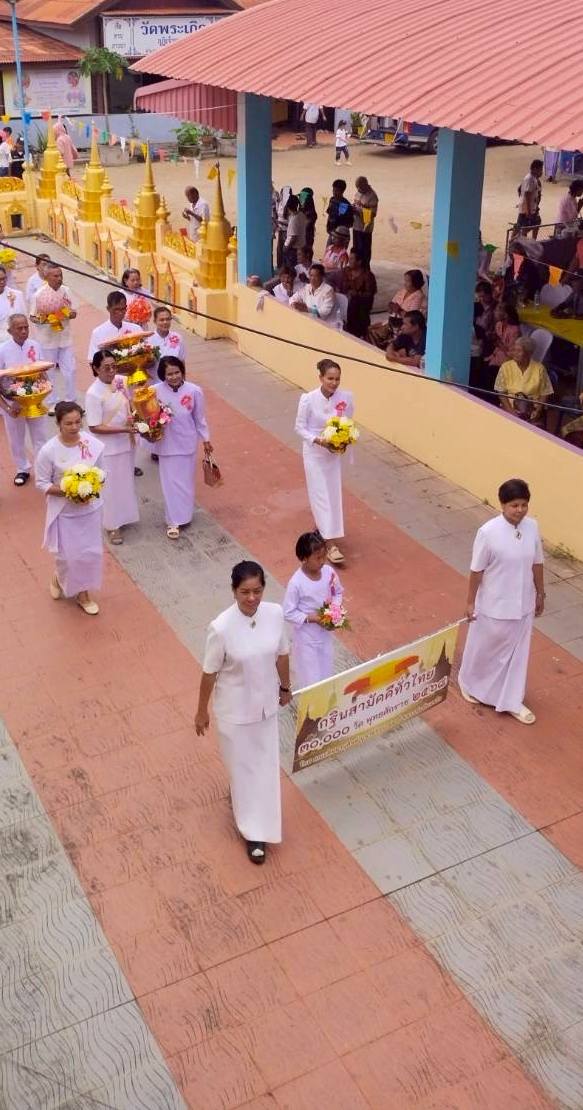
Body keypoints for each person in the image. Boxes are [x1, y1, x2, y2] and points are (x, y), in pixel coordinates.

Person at [195, 561, 291, 865]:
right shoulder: (221, 628)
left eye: (257, 591)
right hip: (234, 711)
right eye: (245, 592)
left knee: (263, 767)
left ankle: (259, 822)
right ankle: (253, 834)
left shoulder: (274, 614)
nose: (252, 598)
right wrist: (201, 712)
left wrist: (285, 688)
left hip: (264, 707)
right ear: (234, 591)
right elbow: (209, 672)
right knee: (243, 768)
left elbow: (282, 653)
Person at [459, 478, 544, 725]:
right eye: (514, 505)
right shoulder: (488, 533)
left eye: (524, 505)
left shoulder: (532, 528)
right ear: (502, 505)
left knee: (516, 656)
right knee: (485, 648)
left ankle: (510, 699)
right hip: (494, 604)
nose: (519, 510)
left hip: (523, 604)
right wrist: (470, 602)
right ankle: (471, 683)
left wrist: (540, 593)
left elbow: (537, 563)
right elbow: (477, 571)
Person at [35, 401, 105, 613]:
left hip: (90, 510)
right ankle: (59, 577)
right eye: (68, 423)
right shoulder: (49, 451)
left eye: (77, 422)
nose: (74, 427)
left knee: (90, 553)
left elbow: (103, 472)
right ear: (58, 423)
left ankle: (83, 595)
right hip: (64, 513)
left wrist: (91, 486)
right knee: (68, 556)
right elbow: (41, 483)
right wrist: (70, 490)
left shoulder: (91, 444)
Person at [294, 358, 353, 564]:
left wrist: (344, 440)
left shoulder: (345, 397)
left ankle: (324, 527)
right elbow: (300, 427)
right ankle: (330, 544)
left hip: (333, 454)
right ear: (320, 378)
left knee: (333, 493)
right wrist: (319, 441)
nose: (334, 383)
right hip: (315, 453)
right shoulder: (308, 399)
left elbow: (348, 422)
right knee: (320, 494)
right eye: (330, 378)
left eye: (337, 379)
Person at [154, 355, 212, 540]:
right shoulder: (153, 392)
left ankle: (184, 516)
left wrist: (206, 439)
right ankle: (173, 521)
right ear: (163, 375)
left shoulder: (194, 391)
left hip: (187, 441)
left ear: (182, 371)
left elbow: (199, 418)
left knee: (185, 482)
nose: (173, 377)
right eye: (169, 374)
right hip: (166, 443)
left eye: (177, 372)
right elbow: (144, 415)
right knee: (170, 483)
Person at [85, 350, 139, 545]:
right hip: (108, 448)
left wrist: (136, 415)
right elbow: (94, 426)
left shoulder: (121, 381)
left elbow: (129, 404)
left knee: (124, 482)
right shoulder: (93, 393)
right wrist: (123, 429)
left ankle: (125, 516)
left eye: (113, 366)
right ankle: (112, 525)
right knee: (110, 487)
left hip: (127, 441)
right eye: (106, 368)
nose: (111, 371)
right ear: (95, 369)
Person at [0, 313, 46, 486]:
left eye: (26, 327)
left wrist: (44, 389)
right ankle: (22, 469)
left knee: (40, 437)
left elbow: (43, 371)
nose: (23, 331)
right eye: (19, 328)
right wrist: (6, 407)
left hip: (35, 400)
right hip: (14, 403)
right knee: (16, 438)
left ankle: (43, 469)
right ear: (9, 330)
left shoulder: (35, 345)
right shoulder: (1, 351)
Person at [283, 532, 342, 691]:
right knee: (311, 678)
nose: (322, 561)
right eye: (317, 558)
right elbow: (288, 612)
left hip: (324, 635)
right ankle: (311, 712)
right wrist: (314, 618)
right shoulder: (296, 583)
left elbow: (337, 592)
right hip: (306, 640)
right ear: (304, 558)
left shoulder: (329, 572)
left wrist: (334, 612)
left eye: (324, 556)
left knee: (325, 672)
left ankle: (324, 709)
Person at [29, 264, 77, 402]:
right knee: (49, 372)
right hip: (47, 339)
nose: (59, 278)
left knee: (71, 369)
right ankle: (52, 401)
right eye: (55, 276)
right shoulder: (39, 294)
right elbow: (32, 316)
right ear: (47, 277)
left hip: (65, 337)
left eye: (60, 275)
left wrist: (65, 314)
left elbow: (74, 311)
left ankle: (71, 400)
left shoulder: (66, 291)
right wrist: (45, 319)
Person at [494, 338, 552, 425]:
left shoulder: (539, 368)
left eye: (519, 351)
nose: (515, 354)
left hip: (531, 410)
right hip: (509, 408)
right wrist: (511, 411)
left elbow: (545, 393)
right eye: (514, 350)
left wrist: (538, 410)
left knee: (534, 433)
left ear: (528, 353)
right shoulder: (506, 367)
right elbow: (501, 392)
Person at [367, 269, 427, 349]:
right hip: (391, 322)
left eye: (407, 281)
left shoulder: (419, 297)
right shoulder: (402, 291)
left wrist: (399, 310)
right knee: (368, 329)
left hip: (401, 328)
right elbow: (392, 306)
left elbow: (412, 318)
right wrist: (391, 307)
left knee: (373, 334)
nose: (404, 283)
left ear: (415, 282)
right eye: (404, 281)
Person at [338, 253, 377, 338]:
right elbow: (339, 285)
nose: (349, 261)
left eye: (352, 259)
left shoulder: (368, 276)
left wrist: (358, 294)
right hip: (345, 304)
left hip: (360, 308)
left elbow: (370, 294)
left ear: (359, 262)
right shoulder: (345, 271)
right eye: (349, 258)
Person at [86, 290, 129, 365]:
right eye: (116, 309)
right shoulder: (98, 332)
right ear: (108, 309)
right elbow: (92, 360)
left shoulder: (136, 328)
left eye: (123, 309)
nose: (121, 312)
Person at [145, 305, 185, 373]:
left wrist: (183, 382)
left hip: (174, 381)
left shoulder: (178, 338)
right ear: (155, 321)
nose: (165, 322)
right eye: (161, 320)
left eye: (168, 319)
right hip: (155, 381)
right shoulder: (147, 340)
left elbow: (181, 361)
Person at [351, 177, 379, 266]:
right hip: (356, 226)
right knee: (356, 249)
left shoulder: (373, 196)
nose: (358, 190)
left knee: (364, 251)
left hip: (365, 229)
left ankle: (365, 269)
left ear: (365, 185)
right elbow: (356, 204)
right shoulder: (358, 192)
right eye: (357, 188)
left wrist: (358, 212)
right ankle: (356, 267)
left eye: (360, 188)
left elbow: (373, 214)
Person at [516, 159, 543, 237]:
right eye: (540, 170)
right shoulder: (529, 179)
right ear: (535, 169)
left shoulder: (534, 179)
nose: (541, 172)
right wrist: (528, 212)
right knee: (524, 228)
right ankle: (519, 242)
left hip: (532, 209)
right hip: (526, 211)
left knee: (537, 223)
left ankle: (531, 241)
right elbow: (527, 195)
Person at [282, 195, 306, 267]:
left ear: (288, 206)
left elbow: (293, 238)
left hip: (292, 249)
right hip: (300, 246)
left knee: (290, 269)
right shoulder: (301, 215)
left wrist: (287, 248)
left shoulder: (294, 220)